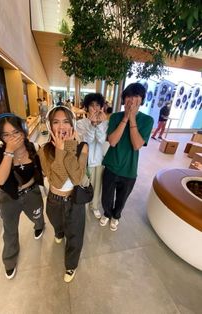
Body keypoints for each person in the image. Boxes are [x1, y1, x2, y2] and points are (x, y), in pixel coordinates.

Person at [0, 113, 45, 280]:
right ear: (1, 137)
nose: (12, 138)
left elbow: (45, 171)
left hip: (32, 193)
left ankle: (39, 226)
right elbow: (0, 179)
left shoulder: (34, 148)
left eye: (15, 132)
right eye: (6, 135)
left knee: (38, 216)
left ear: (24, 131)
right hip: (9, 198)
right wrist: (9, 152)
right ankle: (9, 260)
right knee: (10, 230)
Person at [38, 106, 88, 283]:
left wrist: (67, 148)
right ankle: (59, 232)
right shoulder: (43, 150)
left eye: (66, 121)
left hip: (74, 201)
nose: (61, 126)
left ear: (72, 124)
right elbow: (56, 181)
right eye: (56, 122)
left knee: (75, 236)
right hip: (53, 200)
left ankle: (71, 265)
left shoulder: (82, 147)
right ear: (50, 126)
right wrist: (58, 151)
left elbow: (76, 178)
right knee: (57, 224)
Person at [100, 83, 154, 231]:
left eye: (136, 96)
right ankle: (107, 213)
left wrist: (133, 119)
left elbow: (136, 145)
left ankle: (116, 216)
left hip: (129, 170)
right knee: (106, 197)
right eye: (128, 96)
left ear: (141, 100)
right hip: (111, 165)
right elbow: (112, 141)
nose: (131, 100)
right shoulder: (116, 117)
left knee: (121, 199)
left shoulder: (147, 120)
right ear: (124, 99)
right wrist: (125, 118)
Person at [76, 93, 108, 219]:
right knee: (83, 184)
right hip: (84, 161)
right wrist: (91, 125)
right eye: (91, 105)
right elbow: (86, 141)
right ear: (87, 107)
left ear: (101, 107)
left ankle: (94, 206)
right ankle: (81, 205)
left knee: (97, 186)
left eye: (97, 105)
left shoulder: (105, 123)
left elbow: (101, 140)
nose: (94, 108)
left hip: (98, 160)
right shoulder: (81, 123)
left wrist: (99, 125)